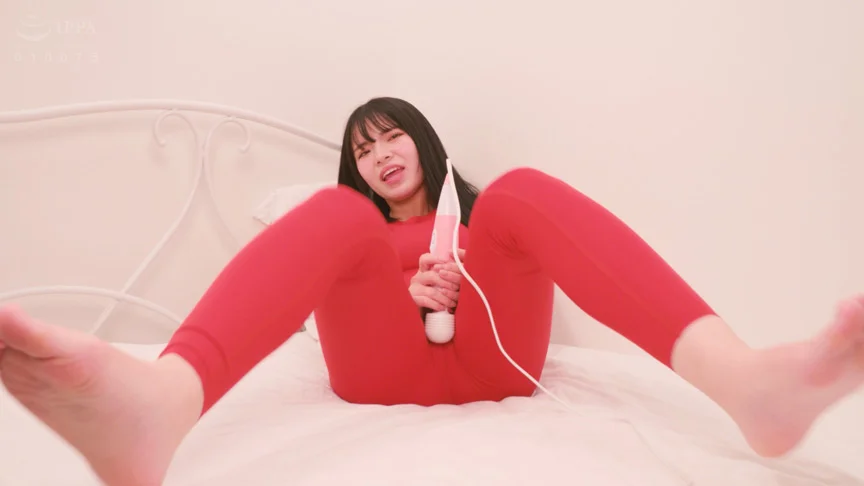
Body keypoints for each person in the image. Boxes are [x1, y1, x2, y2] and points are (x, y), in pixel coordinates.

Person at [0, 96, 862, 486]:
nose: (379, 154)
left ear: (423, 140)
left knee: (521, 190)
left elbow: (524, 262)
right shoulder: (353, 229)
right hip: (379, 369)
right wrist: (399, 286)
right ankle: (164, 400)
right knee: (333, 215)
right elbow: (331, 289)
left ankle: (742, 380)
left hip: (494, 357)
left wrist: (466, 275)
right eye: (362, 147)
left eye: (392, 135)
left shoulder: (486, 218)